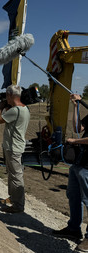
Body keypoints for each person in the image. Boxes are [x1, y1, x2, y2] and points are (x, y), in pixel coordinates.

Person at [52, 93, 88, 250]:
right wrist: (75, 106)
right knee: (73, 196)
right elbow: (77, 128)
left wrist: (75, 141)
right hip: (80, 163)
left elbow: (79, 137)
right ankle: (73, 229)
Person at [0, 84, 30, 213]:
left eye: (7, 96)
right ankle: (13, 198)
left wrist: (1, 108)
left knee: (16, 176)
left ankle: (18, 205)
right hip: (15, 146)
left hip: (13, 147)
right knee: (13, 175)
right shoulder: (24, 109)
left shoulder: (15, 111)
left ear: (10, 95)